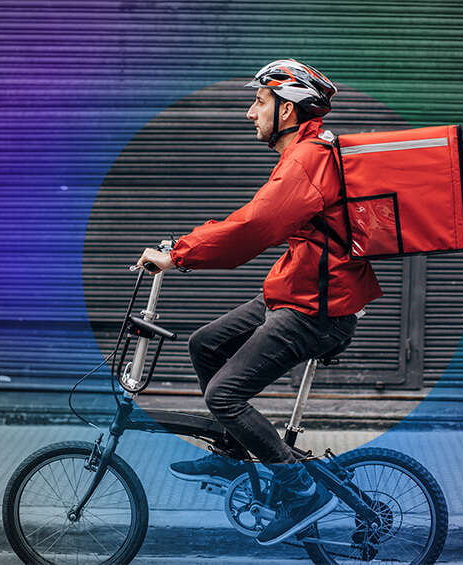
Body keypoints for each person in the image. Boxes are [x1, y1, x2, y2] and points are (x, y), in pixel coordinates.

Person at [136, 60, 382, 546]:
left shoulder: (309, 158)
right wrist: (183, 246)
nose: (251, 113)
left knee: (223, 396)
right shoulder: (304, 156)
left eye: (259, 102)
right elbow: (254, 217)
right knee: (206, 344)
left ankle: (299, 490)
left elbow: (253, 229)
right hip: (299, 291)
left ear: (287, 110)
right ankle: (231, 450)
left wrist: (179, 254)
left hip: (316, 310)